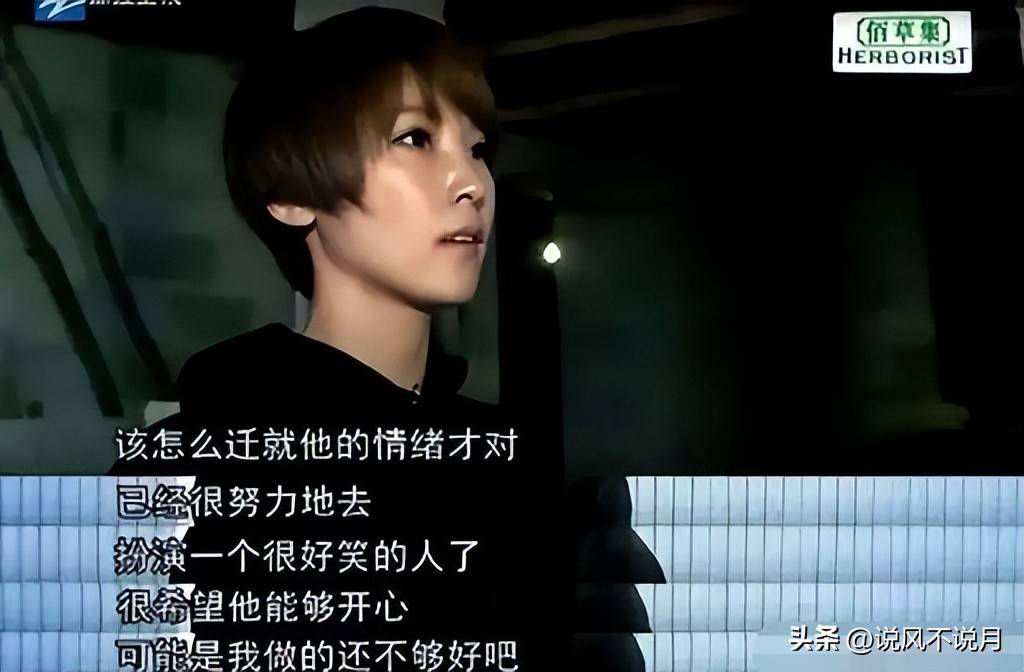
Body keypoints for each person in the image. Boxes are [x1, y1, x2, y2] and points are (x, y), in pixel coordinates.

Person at [111, 7, 568, 669]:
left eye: (476, 149)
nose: (472, 183)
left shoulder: (505, 463)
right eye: (414, 138)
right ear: (291, 192)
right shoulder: (180, 479)